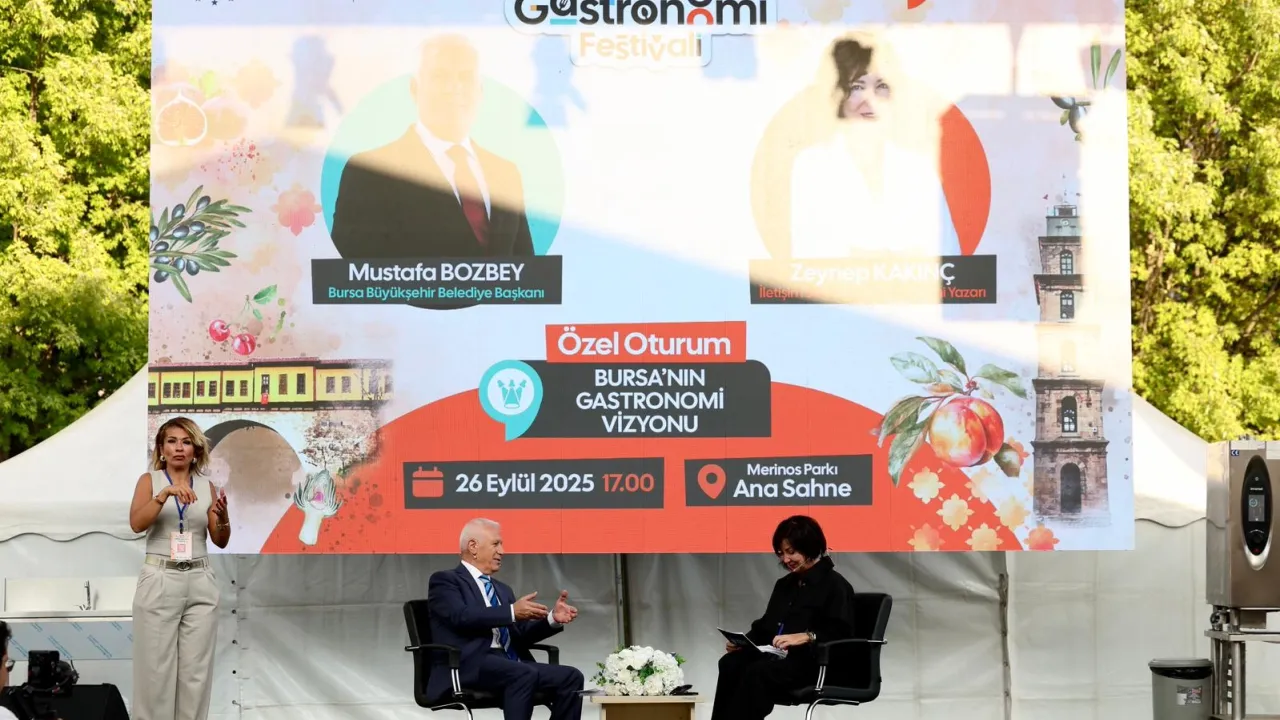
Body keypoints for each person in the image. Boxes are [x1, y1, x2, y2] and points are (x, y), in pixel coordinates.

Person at [331, 34, 536, 259]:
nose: (454, 87)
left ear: (480, 91)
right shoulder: (369, 171)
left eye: (466, 77)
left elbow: (528, 271)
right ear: (414, 88)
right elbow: (351, 273)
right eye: (439, 76)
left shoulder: (506, 173)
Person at [789, 35, 962, 259]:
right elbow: (810, 256)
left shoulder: (918, 168)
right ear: (839, 93)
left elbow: (933, 254)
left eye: (881, 87)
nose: (869, 100)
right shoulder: (812, 166)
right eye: (857, 87)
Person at [427, 518, 584, 720]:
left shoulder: (502, 590)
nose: (502, 551)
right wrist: (511, 611)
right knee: (522, 673)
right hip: (468, 664)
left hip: (509, 662)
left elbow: (520, 636)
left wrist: (552, 619)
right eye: (496, 544)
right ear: (473, 546)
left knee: (571, 677)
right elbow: (461, 616)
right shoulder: (446, 581)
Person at [128, 417, 230, 720]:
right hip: (160, 574)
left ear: (196, 450)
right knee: (155, 671)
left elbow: (220, 539)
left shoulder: (207, 487)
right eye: (172, 441)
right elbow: (136, 523)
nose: (179, 448)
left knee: (196, 673)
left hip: (199, 576)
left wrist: (223, 519)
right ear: (161, 449)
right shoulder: (150, 481)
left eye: (186, 442)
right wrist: (164, 495)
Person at [711, 515, 857, 720]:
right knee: (731, 663)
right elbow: (766, 626)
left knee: (759, 672)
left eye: (791, 552)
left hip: (815, 664)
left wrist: (807, 636)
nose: (785, 559)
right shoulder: (785, 585)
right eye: (781, 553)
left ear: (810, 547)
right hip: (781, 659)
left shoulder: (836, 585)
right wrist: (744, 642)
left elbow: (842, 633)